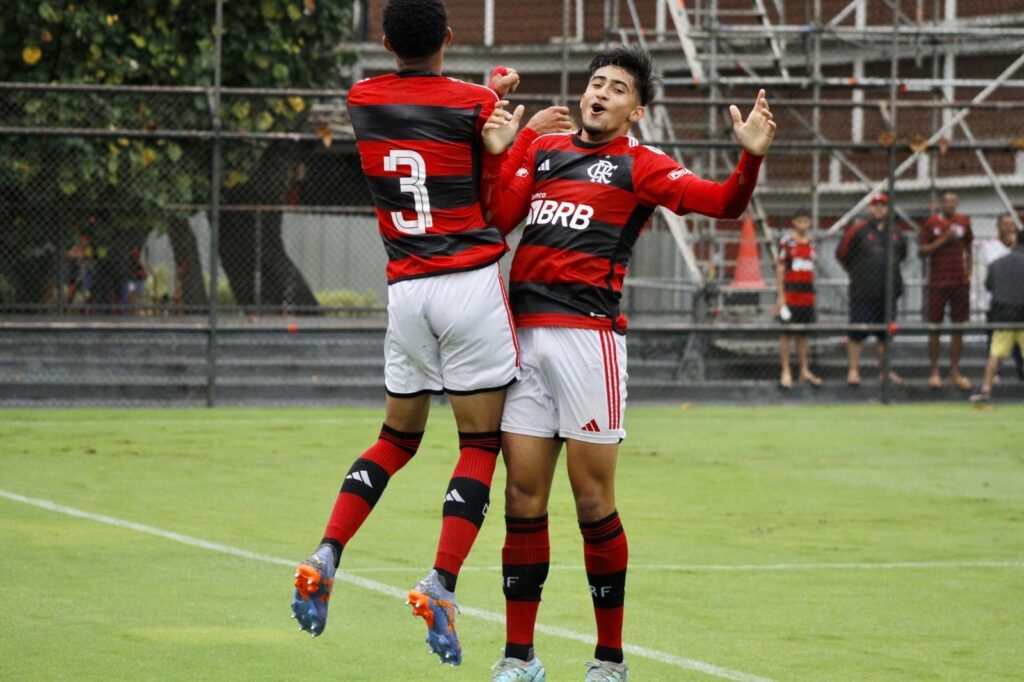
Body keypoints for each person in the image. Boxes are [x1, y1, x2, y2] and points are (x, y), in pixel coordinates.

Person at [480, 44, 774, 681]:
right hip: (524, 340)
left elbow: (723, 204)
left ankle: (608, 661)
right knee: (523, 497)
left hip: (590, 344)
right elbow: (499, 217)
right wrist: (504, 150)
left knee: (591, 502)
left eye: (616, 88)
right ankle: (518, 658)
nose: (601, 93)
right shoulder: (544, 151)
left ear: (636, 110)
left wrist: (748, 158)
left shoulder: (641, 165)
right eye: (595, 83)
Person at [289, 0, 556, 667]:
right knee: (478, 442)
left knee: (395, 438)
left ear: (382, 41)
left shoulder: (361, 98)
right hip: (467, 283)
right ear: (448, 37)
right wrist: (521, 132)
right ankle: (440, 580)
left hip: (405, 289)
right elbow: (492, 176)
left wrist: (488, 96)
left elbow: (431, 111)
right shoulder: (472, 102)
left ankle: (328, 551)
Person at [834, 193, 907, 386]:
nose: (879, 209)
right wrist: (859, 272)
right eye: (875, 206)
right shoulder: (857, 230)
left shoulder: (896, 232)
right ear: (869, 208)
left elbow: (903, 255)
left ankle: (884, 372)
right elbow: (842, 254)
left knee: (885, 334)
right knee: (857, 331)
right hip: (862, 292)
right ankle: (853, 371)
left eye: (882, 206)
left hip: (888, 292)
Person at [919, 191, 973, 390]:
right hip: (937, 283)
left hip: (959, 283)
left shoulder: (964, 222)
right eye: (946, 201)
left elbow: (969, 249)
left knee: (958, 328)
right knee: (935, 328)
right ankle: (934, 372)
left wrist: (968, 275)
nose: (950, 204)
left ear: (957, 203)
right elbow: (921, 251)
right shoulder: (931, 223)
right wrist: (944, 239)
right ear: (940, 203)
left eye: (953, 201)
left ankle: (954, 372)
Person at [971, 232, 1024, 402]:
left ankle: (985, 390)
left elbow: (989, 286)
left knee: (995, 354)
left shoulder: (997, 263)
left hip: (1004, 316)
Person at [774, 210, 823, 388]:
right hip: (790, 296)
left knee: (803, 335)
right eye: (799, 220)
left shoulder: (812, 244)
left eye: (806, 221)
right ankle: (786, 371)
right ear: (794, 222)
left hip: (806, 297)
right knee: (786, 334)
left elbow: (813, 271)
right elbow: (780, 270)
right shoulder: (787, 242)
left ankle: (804, 369)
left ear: (810, 223)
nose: (803, 224)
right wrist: (781, 298)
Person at [978, 213, 1024, 380]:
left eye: (1011, 225)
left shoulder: (1019, 247)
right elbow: (998, 267)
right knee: (995, 342)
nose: (1008, 228)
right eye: (1005, 225)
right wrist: (1014, 251)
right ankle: (996, 374)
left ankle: (1020, 372)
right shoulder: (989, 245)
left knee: (1019, 343)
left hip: (1019, 301)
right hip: (998, 302)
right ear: (998, 226)